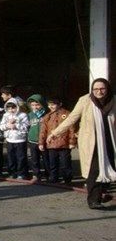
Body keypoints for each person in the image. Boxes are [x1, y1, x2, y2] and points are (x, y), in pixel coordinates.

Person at [49, 79, 116, 209]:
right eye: (96, 89)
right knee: (94, 171)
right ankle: (93, 201)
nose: (99, 92)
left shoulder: (113, 100)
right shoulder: (85, 100)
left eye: (102, 89)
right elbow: (72, 118)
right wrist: (55, 133)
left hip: (110, 141)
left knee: (109, 168)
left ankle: (103, 193)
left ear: (107, 89)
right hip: (91, 142)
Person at [38, 96, 76, 185]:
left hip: (64, 143)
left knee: (65, 163)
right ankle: (54, 178)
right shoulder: (47, 116)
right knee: (53, 163)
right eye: (49, 105)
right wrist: (41, 142)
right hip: (51, 144)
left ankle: (67, 179)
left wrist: (72, 141)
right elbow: (43, 131)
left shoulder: (67, 114)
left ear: (60, 104)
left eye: (53, 104)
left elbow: (72, 129)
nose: (50, 106)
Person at [0, 98, 29, 179]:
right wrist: (7, 125)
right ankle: (12, 173)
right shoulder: (5, 115)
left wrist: (16, 125)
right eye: (8, 108)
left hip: (20, 140)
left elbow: (26, 127)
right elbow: (1, 126)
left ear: (17, 107)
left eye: (13, 107)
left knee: (21, 157)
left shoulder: (23, 115)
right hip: (9, 139)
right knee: (11, 158)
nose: (11, 110)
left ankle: (21, 174)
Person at [26, 94, 48, 183]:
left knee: (46, 159)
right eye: (33, 105)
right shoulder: (29, 115)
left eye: (37, 104)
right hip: (33, 140)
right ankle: (36, 175)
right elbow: (27, 126)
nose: (35, 107)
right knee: (34, 159)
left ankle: (48, 175)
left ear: (42, 104)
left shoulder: (47, 114)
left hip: (44, 141)